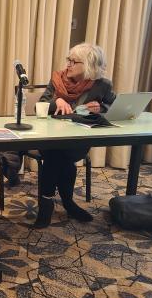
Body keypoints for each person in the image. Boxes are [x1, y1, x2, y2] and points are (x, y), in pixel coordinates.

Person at [34, 42, 116, 228]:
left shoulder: (102, 85)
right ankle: (64, 204)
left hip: (78, 140)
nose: (68, 64)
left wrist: (101, 108)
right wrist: (58, 100)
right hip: (50, 138)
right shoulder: (57, 80)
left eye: (73, 61)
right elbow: (38, 106)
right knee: (57, 154)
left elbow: (114, 107)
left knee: (61, 156)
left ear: (88, 65)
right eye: (68, 60)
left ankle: (49, 204)